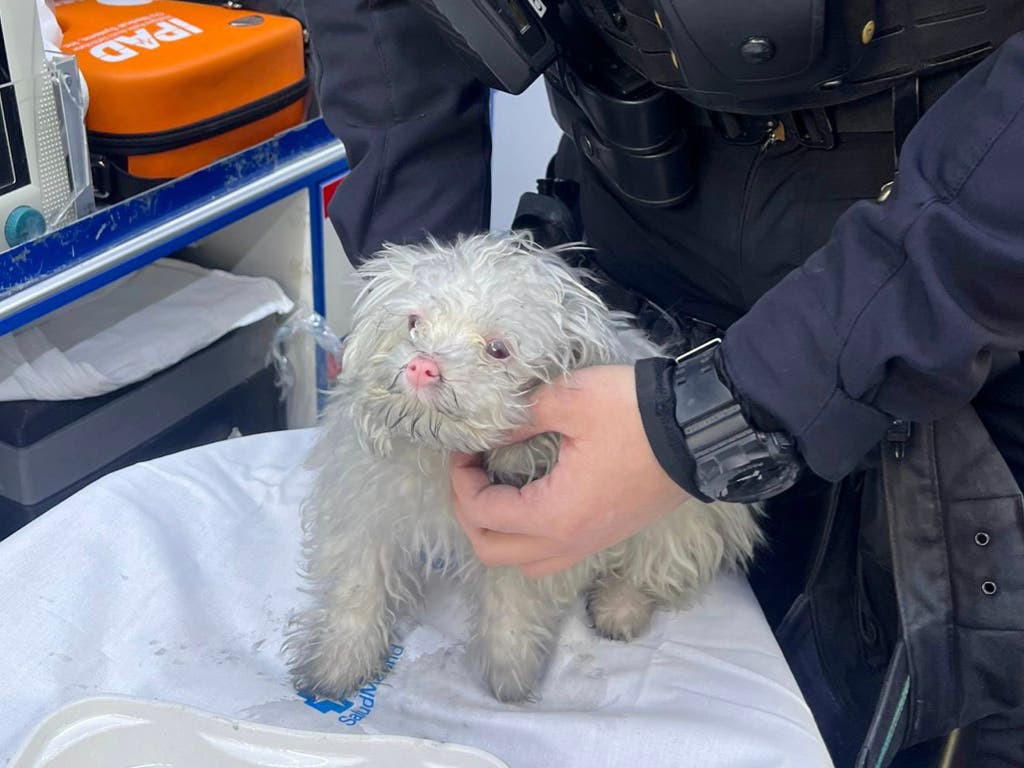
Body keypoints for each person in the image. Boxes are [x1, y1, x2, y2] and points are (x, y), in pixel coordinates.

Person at [301, 2, 1024, 765]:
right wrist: (419, 287)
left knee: (922, 724)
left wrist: (720, 419)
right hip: (633, 207)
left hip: (962, 288)